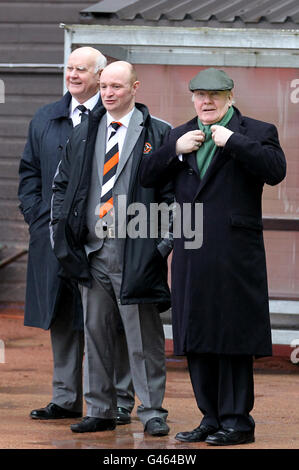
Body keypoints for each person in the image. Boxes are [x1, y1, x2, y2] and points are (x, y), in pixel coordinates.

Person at [140, 68, 286, 445]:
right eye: (200, 95)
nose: (206, 102)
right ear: (192, 98)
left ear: (230, 96)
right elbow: (146, 175)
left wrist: (233, 141)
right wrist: (174, 150)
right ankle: (210, 417)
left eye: (214, 96)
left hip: (234, 252)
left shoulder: (256, 131)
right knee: (196, 334)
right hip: (191, 249)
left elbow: (275, 171)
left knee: (233, 335)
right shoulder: (179, 134)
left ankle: (238, 422)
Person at [50, 61, 173, 436]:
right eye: (104, 86)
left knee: (143, 338)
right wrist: (61, 234)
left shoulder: (158, 131)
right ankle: (100, 409)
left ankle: (151, 411)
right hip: (91, 252)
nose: (108, 93)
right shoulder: (84, 131)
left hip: (137, 253)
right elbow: (62, 185)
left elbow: (172, 195)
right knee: (96, 335)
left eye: (117, 86)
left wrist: (162, 246)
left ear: (135, 87)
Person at [18, 47, 134, 424]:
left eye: (81, 70)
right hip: (56, 239)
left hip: (103, 240)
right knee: (63, 317)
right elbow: (29, 174)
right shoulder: (46, 118)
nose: (72, 75)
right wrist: (40, 220)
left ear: (100, 76)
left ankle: (118, 400)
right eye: (69, 68)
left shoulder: (114, 119)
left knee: (109, 322)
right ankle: (66, 398)